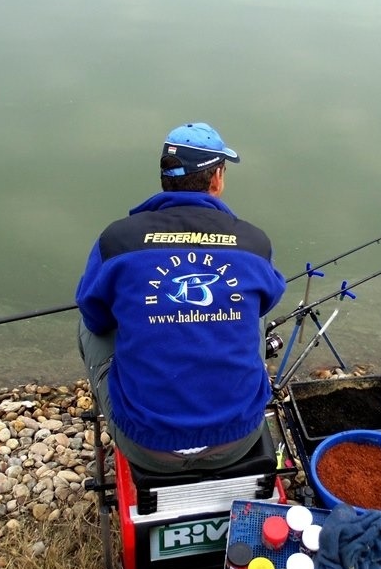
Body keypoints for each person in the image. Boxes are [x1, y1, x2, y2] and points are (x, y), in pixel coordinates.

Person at [76, 122, 287, 474]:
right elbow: (267, 302)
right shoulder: (253, 242)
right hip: (236, 440)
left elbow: (95, 318)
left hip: (146, 445)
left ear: (165, 178)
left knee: (87, 323)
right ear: (216, 178)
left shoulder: (118, 240)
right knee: (253, 310)